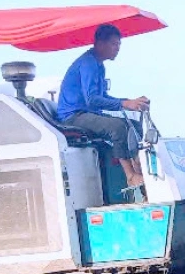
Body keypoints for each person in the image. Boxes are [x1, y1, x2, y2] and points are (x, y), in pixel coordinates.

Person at [57, 24, 150, 189]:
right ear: (100, 44)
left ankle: (139, 168)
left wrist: (129, 102)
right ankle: (130, 176)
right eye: (114, 44)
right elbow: (91, 100)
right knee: (118, 127)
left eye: (119, 45)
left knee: (134, 125)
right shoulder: (88, 63)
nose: (117, 49)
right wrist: (124, 104)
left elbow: (102, 97)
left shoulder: (99, 65)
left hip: (87, 112)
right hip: (74, 116)